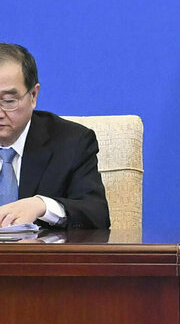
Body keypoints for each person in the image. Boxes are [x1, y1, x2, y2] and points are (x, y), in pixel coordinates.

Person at [0, 43, 109, 229]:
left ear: (33, 95)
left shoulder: (72, 142)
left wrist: (42, 206)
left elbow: (97, 215)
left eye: (9, 101)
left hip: (39, 256)